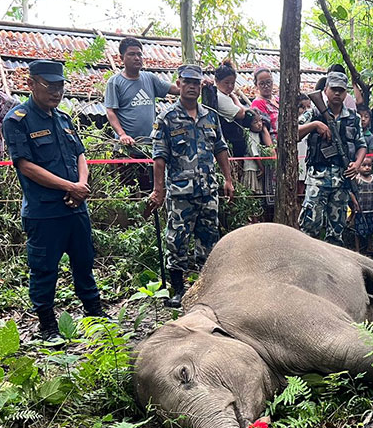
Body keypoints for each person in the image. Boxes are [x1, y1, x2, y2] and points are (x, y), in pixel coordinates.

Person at [2, 60, 104, 341]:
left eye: (60, 86)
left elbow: (80, 154)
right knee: (44, 269)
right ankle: (47, 325)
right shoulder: (17, 120)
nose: (56, 92)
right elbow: (25, 166)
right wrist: (70, 186)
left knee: (84, 262)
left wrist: (81, 185)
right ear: (31, 83)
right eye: (50, 85)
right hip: (44, 212)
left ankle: (95, 316)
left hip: (76, 208)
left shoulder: (63, 119)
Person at [146, 65, 235, 308]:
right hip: (180, 192)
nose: (192, 87)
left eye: (196, 83)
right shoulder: (166, 118)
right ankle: (178, 289)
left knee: (209, 239)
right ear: (179, 83)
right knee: (177, 240)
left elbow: (221, 149)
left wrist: (228, 179)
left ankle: (207, 288)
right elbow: (159, 157)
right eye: (187, 82)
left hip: (208, 191)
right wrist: (158, 190)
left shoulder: (210, 116)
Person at [298, 70, 367, 246]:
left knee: (336, 230)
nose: (337, 93)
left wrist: (357, 164)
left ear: (346, 93)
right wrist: (315, 125)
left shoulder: (353, 118)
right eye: (334, 89)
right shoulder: (314, 112)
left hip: (342, 179)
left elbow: (362, 145)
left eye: (341, 90)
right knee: (310, 225)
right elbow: (292, 132)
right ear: (326, 89)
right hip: (317, 179)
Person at [104, 38, 178, 194]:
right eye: (131, 54)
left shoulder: (149, 78)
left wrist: (194, 84)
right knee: (129, 191)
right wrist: (122, 134)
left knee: (150, 190)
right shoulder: (115, 82)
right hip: (127, 148)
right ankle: (133, 220)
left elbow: (173, 89)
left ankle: (148, 219)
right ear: (121, 58)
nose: (137, 58)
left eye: (139, 54)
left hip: (149, 147)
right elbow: (111, 111)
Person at [213, 61, 251, 157]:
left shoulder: (225, 95)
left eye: (232, 83)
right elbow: (241, 113)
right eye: (226, 83)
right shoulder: (219, 97)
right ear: (217, 81)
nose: (230, 86)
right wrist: (234, 97)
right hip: (229, 143)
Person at [243, 111, 275, 220]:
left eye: (260, 121)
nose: (259, 124)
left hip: (257, 168)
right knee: (252, 192)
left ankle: (257, 217)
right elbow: (254, 154)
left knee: (257, 195)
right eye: (255, 122)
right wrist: (262, 168)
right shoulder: (250, 135)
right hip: (251, 168)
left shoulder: (258, 135)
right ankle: (251, 218)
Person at [350, 156, 373, 255]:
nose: (367, 168)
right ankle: (357, 249)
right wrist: (355, 203)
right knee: (358, 230)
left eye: (369, 165)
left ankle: (370, 247)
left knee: (370, 229)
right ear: (358, 167)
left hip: (370, 209)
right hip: (360, 210)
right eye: (364, 165)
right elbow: (351, 192)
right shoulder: (357, 179)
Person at [250, 67, 279, 139]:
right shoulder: (257, 103)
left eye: (268, 82)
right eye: (262, 84)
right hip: (276, 140)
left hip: (289, 133)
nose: (266, 86)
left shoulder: (278, 99)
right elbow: (263, 130)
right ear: (256, 85)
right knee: (312, 125)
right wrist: (271, 149)